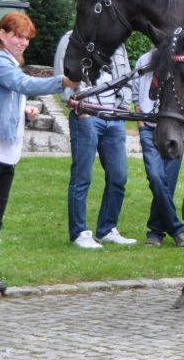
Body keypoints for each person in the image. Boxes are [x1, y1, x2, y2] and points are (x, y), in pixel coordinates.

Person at [0, 14, 78, 294]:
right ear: (2, 34)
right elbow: (24, 85)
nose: (22, 42)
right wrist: (64, 81)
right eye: (17, 36)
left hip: (2, 155)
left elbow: (4, 98)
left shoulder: (9, 63)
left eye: (26, 38)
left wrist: (24, 112)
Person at [54, 32, 134, 249]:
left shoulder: (117, 43)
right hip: (87, 116)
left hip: (113, 118)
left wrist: (122, 108)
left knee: (119, 177)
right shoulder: (71, 39)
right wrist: (79, 108)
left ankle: (107, 229)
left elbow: (126, 77)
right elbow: (62, 75)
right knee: (82, 177)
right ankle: (79, 233)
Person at [131, 50, 184, 248]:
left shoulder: (181, 60)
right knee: (156, 178)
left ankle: (155, 232)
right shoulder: (145, 60)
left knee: (168, 184)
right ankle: (177, 230)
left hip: (173, 131)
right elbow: (135, 93)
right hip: (148, 128)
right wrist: (140, 125)